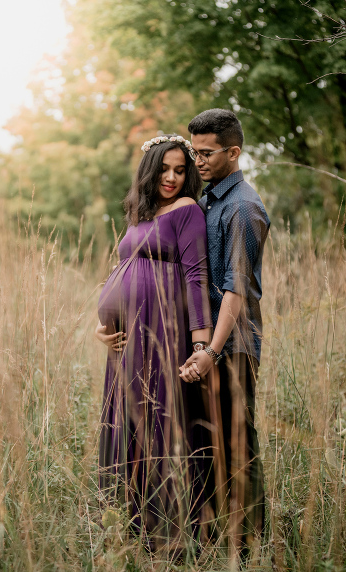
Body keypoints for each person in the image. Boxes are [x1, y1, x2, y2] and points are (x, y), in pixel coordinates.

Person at [95, 134, 214, 551]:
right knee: (129, 416)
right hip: (125, 341)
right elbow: (121, 269)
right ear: (150, 170)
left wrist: (201, 346)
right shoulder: (141, 212)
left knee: (160, 415)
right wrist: (103, 325)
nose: (172, 177)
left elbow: (197, 277)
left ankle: (170, 530)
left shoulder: (187, 211)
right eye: (164, 169)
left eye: (181, 170)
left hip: (162, 328)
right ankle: (127, 519)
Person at [179, 109, 269, 560]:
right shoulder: (211, 199)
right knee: (210, 444)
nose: (198, 160)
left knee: (238, 445)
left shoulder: (242, 207)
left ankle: (250, 548)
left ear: (233, 152)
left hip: (231, 347)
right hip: (209, 348)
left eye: (207, 152)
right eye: (194, 151)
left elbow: (235, 292)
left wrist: (211, 351)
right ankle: (215, 540)